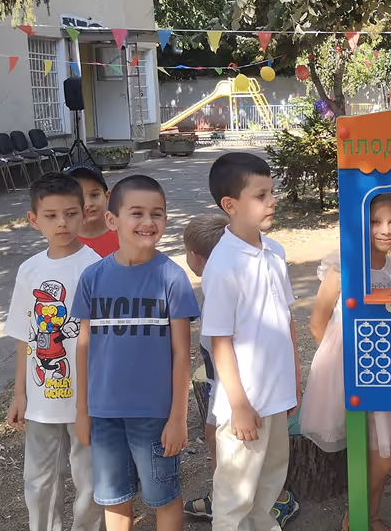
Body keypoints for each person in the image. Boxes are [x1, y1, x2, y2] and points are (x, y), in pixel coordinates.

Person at [72, 175, 200, 531]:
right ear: (113, 221)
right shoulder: (92, 278)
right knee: (115, 499)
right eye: (137, 213)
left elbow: (180, 354)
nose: (148, 222)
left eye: (157, 214)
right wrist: (82, 411)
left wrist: (177, 418)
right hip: (104, 414)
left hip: (154, 416)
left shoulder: (171, 278)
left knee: (164, 496)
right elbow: (83, 348)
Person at [201, 153, 303, 531]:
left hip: (277, 397)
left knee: (269, 487)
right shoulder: (224, 264)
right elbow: (219, 340)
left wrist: (294, 380)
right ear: (231, 205)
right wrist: (240, 405)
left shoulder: (275, 252)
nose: (273, 200)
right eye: (261, 195)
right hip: (243, 404)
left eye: (271, 191)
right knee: (235, 498)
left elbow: (286, 322)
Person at [181, 213, 299, 526]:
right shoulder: (237, 268)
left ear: (194, 257)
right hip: (242, 402)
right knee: (238, 495)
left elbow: (284, 328)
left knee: (254, 491)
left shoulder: (259, 260)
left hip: (252, 401)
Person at [304, 192, 391, 531]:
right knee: (368, 454)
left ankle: (367, 514)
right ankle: (361, 518)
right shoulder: (343, 267)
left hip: (384, 373)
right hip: (347, 374)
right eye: (375, 221)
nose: (385, 229)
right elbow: (317, 323)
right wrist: (340, 370)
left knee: (384, 459)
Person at [4, 173, 104, 531]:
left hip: (87, 400)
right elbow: (23, 334)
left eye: (70, 213)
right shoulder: (29, 270)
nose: (62, 222)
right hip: (41, 400)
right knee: (40, 479)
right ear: (34, 220)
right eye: (50, 215)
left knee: (91, 481)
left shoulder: (96, 268)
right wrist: (19, 393)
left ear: (84, 214)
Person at [67, 164, 118, 257]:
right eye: (79, 197)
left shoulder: (124, 234)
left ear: (107, 197)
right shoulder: (65, 242)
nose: (88, 204)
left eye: (94, 195)